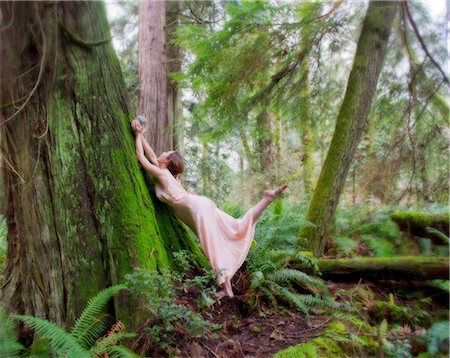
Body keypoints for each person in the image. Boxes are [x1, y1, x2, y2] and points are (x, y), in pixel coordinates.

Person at [131, 119, 287, 298]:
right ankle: (266, 199)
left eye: (166, 153)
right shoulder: (169, 175)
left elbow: (142, 157)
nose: (162, 152)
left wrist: (137, 135)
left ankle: (226, 289)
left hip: (198, 209)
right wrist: (141, 134)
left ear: (167, 162)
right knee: (234, 227)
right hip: (201, 205)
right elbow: (150, 154)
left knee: (212, 246)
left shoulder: (162, 174)